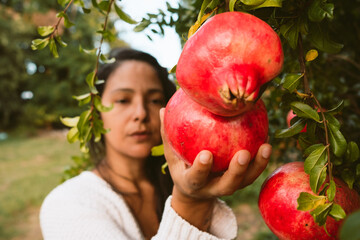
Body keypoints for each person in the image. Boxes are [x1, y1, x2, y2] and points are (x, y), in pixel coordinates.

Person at [39, 47, 272, 240]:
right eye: (123, 100)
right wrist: (190, 202)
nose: (140, 113)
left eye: (154, 99)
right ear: (96, 114)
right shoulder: (67, 204)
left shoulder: (166, 183)